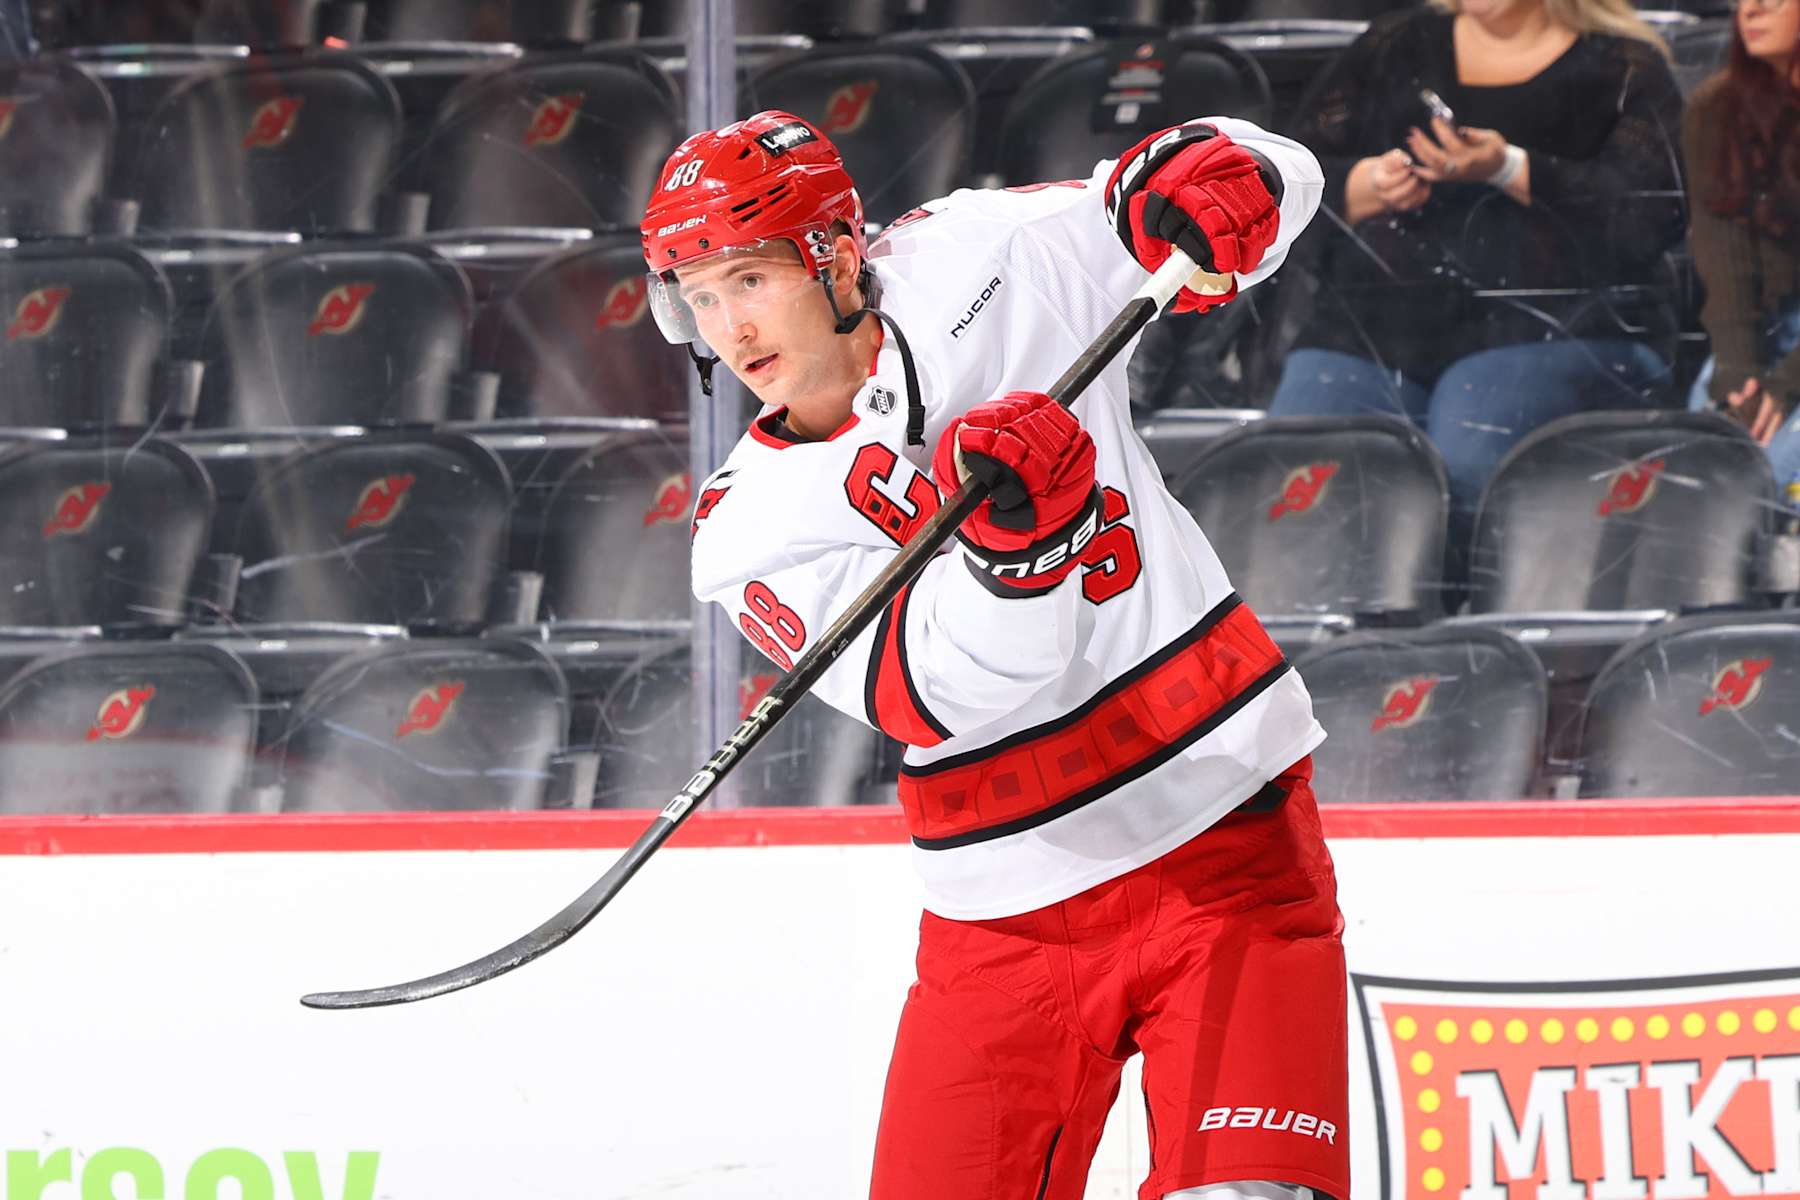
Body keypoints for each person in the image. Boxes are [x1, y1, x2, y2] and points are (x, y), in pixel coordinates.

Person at [641, 110, 1341, 1200]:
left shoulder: (983, 257)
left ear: (835, 255)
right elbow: (935, 697)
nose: (729, 326)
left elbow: (1223, 180)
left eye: (749, 278)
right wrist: (1022, 553)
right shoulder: (750, 529)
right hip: (1002, 914)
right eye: (698, 296)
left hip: (1226, 836)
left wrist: (1235, 177)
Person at [1267, 0, 1686, 578]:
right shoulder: (1395, 46)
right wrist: (1364, 184)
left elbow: (1649, 217)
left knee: (1467, 448)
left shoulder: (1622, 66)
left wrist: (1510, 169)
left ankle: (1460, 626)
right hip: (1376, 325)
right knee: (1290, 471)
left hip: (1558, 326)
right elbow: (1285, 176)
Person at [1682, 0, 1800, 488]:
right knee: (1708, 473)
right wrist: (1737, 372)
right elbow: (1724, 260)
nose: (1750, 10)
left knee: (1781, 474)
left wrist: (1788, 383)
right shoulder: (1717, 107)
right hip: (1768, 327)